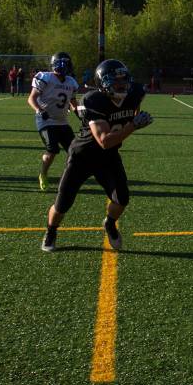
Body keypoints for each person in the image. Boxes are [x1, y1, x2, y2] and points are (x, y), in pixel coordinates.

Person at [41, 59, 152, 252]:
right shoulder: (94, 100)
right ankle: (51, 230)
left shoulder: (134, 93)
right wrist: (133, 124)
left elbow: (135, 103)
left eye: (123, 79)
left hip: (108, 157)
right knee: (63, 203)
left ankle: (109, 223)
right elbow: (104, 140)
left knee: (122, 199)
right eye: (115, 81)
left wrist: (134, 116)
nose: (121, 84)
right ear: (103, 84)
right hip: (83, 157)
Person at [29, 52, 80, 191]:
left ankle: (69, 178)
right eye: (61, 63)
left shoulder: (71, 82)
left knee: (75, 151)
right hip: (45, 120)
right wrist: (40, 110)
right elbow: (31, 98)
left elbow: (73, 103)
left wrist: (80, 113)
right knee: (52, 151)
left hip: (62, 122)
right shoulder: (45, 77)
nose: (64, 66)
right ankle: (43, 174)